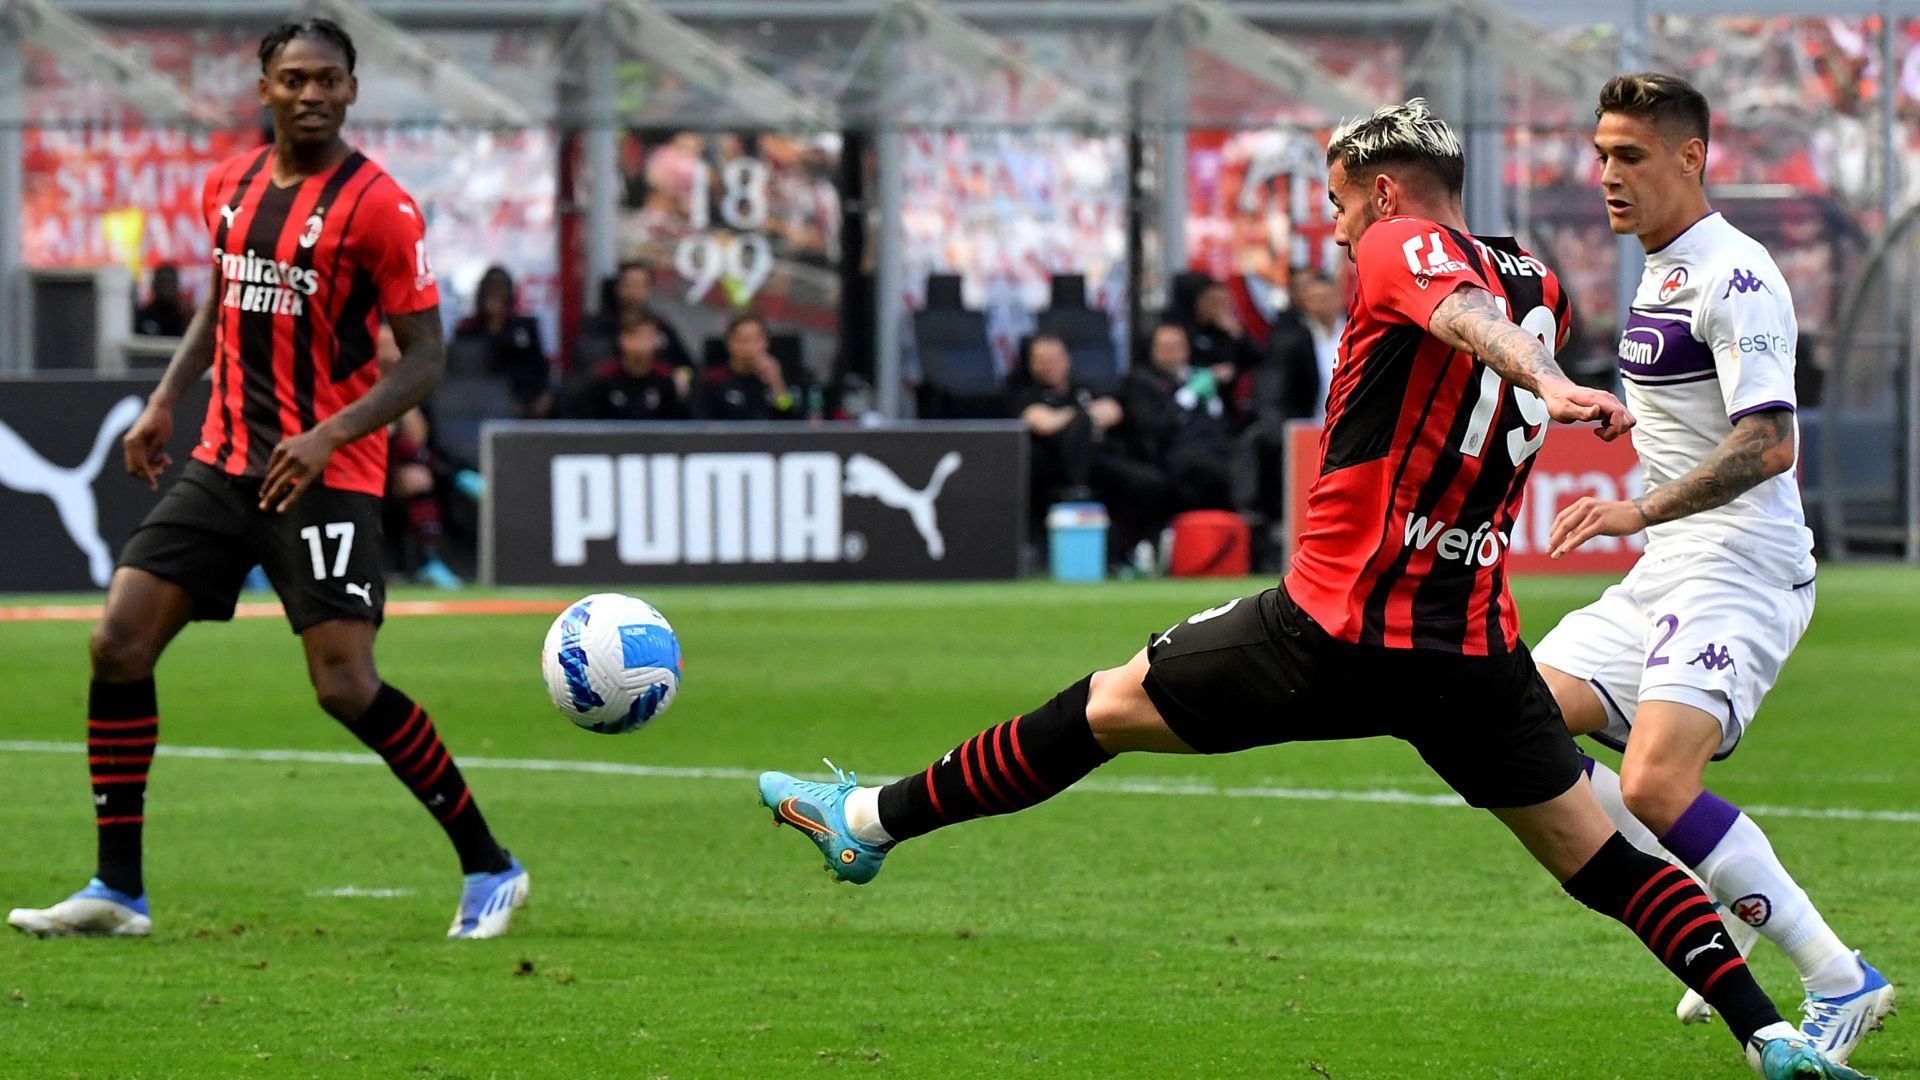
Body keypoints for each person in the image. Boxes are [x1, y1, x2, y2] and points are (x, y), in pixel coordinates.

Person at [755, 100, 1869, 1080]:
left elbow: (1457, 319)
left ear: (1384, 193)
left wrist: (1548, 381)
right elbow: (1483, 323)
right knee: (1606, 857)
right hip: (1469, 648)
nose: (1336, 231)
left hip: (1331, 626)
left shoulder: (1400, 249)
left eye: (1338, 203)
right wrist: (1546, 366)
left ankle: (867, 821)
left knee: (1100, 708)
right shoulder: (1540, 278)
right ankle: (1769, 1035)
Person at [6, 18, 527, 943]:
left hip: (325, 473)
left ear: (352, 91)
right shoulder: (230, 183)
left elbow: (425, 356)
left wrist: (330, 434)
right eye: (295, 79)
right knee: (117, 643)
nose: (312, 94)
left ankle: (491, 865)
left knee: (343, 685)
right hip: (221, 458)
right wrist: (166, 397)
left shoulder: (381, 206)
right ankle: (117, 891)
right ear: (266, 88)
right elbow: (224, 293)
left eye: (329, 79)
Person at [1534, 72, 1894, 1062]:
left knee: (1653, 786)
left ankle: (1838, 977)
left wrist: (1638, 506)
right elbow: (1692, 414)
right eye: (1601, 153)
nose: (1606, 174)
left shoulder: (1735, 274)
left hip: (1739, 565)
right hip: (1672, 563)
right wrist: (1631, 427)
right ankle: (1712, 883)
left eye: (1630, 156)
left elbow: (1767, 443)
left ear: (1690, 159)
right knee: (1509, 712)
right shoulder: (1661, 265)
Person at [379, 323, 479, 589]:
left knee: (417, 477)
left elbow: (416, 439)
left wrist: (396, 388)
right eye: (384, 348)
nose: (391, 355)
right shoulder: (353, 380)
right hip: (353, 468)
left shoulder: (407, 386)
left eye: (394, 347)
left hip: (390, 471)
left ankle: (428, 561)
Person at [1118, 322, 1233, 514]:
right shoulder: (1141, 381)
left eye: (1176, 346)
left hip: (1211, 447)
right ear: (1153, 350)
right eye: (1164, 347)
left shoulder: (1197, 376)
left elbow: (1219, 424)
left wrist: (1213, 402)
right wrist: (1185, 398)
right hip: (1170, 452)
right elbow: (1151, 427)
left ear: (1187, 349)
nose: (1171, 352)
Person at [451, 265, 551, 418]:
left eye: (500, 288)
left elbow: (539, 364)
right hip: (484, 401)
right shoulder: (467, 329)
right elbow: (462, 373)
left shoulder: (525, 326)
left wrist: (544, 393)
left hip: (526, 395)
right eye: (490, 289)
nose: (495, 295)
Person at [565, 312, 688, 421]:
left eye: (648, 337)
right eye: (636, 336)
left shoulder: (667, 380)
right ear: (622, 339)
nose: (642, 343)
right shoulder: (601, 378)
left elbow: (679, 425)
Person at [577, 261, 693, 371]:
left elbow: (687, 365)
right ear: (618, 287)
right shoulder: (598, 327)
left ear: (649, 289)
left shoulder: (662, 327)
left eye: (640, 285)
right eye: (628, 285)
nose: (634, 291)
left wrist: (681, 376)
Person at [693, 313, 806, 421]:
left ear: (766, 342)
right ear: (730, 343)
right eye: (743, 340)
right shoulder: (711, 380)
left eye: (756, 339)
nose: (750, 347)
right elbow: (702, 425)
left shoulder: (782, 378)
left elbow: (792, 423)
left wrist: (777, 384)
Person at [134, 265, 192, 337]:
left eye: (170, 283)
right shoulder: (142, 316)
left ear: (176, 286)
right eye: (162, 282)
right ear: (154, 285)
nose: (166, 288)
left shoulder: (185, 318)